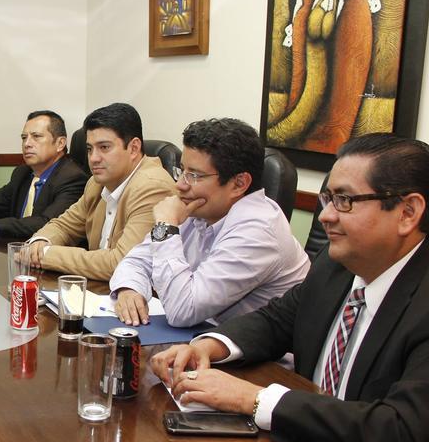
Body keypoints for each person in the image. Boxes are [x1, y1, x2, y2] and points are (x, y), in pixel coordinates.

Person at [152, 133, 429, 442]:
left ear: (408, 212)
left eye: (344, 201)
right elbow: (279, 320)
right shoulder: (339, 263)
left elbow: (407, 435)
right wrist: (210, 345)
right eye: (326, 198)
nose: (324, 216)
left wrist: (256, 400)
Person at [110, 118, 309, 327]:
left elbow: (182, 310)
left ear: (239, 184)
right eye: (182, 171)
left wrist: (166, 226)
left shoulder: (259, 231)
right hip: (205, 334)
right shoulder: (199, 208)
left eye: (194, 175)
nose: (180, 185)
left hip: (256, 347)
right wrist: (129, 288)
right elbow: (135, 261)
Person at [25, 103, 176, 281]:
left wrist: (46, 255)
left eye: (104, 147)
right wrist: (41, 240)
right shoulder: (97, 183)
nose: (93, 158)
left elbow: (122, 263)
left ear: (134, 148)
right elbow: (64, 225)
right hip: (99, 290)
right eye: (90, 149)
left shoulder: (152, 187)